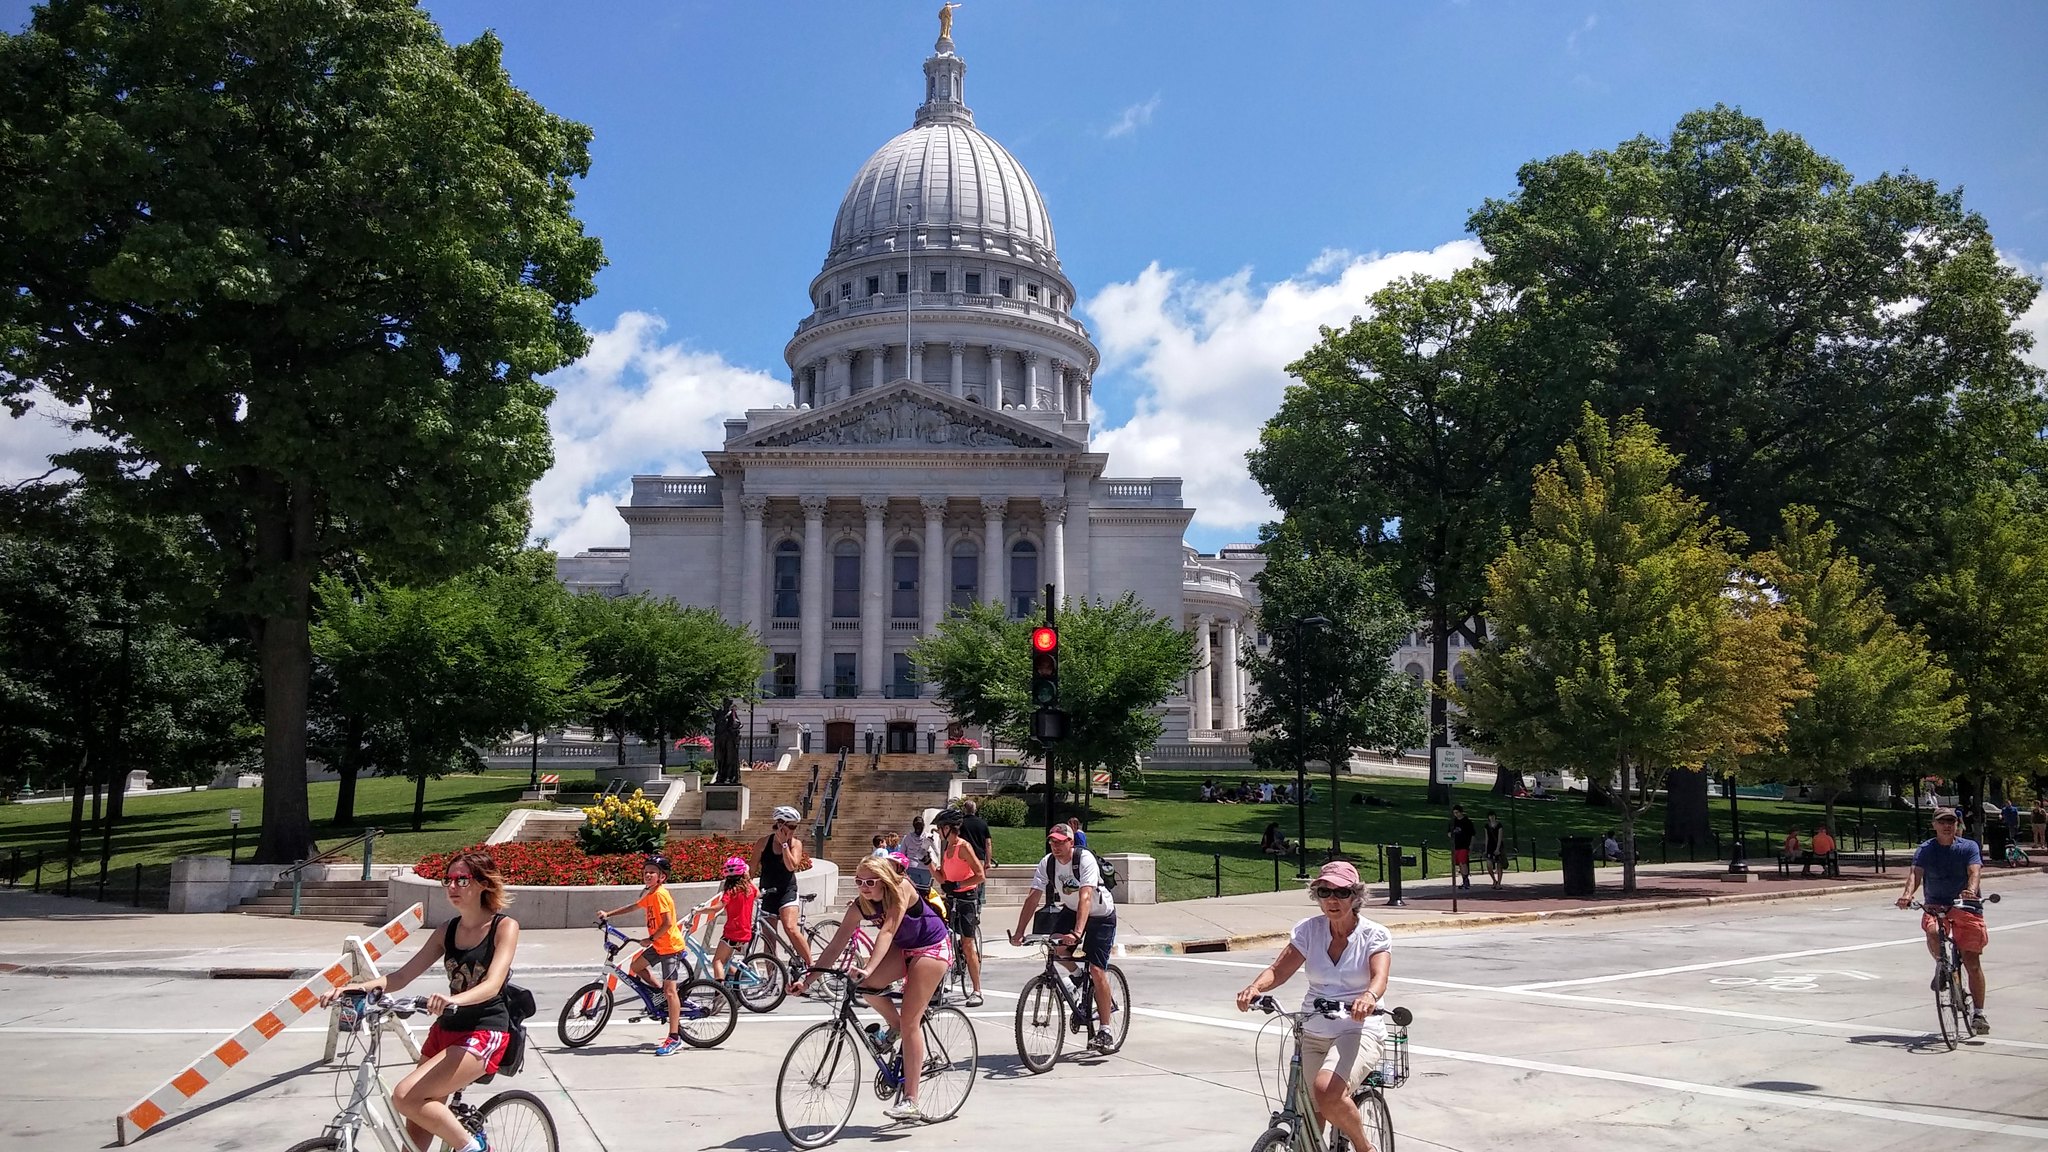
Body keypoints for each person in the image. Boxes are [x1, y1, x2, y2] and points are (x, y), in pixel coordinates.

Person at [321, 850, 520, 1152]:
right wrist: (352, 989)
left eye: (461, 880)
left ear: (482, 883)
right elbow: (401, 976)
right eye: (448, 880)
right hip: (447, 1030)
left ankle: (475, 1149)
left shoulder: (503, 927)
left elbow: (492, 985)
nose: (452, 887)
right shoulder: (447, 930)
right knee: (415, 1133)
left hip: (485, 1030)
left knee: (405, 1096)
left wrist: (453, 999)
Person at [1233, 862, 1392, 1152]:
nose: (1332, 899)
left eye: (1341, 892)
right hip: (1313, 1026)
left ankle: (1364, 1147)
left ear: (1355, 896)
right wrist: (1255, 988)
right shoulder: (1309, 930)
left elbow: (1379, 977)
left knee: (1326, 1092)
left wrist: (1368, 997)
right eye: (1324, 891)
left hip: (1357, 1028)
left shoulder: (1374, 934)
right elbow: (1279, 970)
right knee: (1309, 1117)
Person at [793, 856, 952, 1123]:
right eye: (858, 882)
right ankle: (896, 1026)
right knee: (866, 987)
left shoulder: (900, 888)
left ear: (883, 880)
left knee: (911, 1021)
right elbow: (835, 945)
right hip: (904, 948)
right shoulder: (859, 906)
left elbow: (888, 931)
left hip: (931, 947)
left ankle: (911, 1101)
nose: (864, 887)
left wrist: (867, 966)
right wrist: (808, 980)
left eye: (870, 881)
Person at [1009, 824, 1118, 1053]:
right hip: (1070, 909)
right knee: (1055, 947)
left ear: (1071, 842)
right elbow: (1032, 898)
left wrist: (1077, 933)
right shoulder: (1048, 863)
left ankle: (1106, 1030)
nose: (1056, 846)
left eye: (1060, 842)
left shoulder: (1084, 859)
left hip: (1100, 914)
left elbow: (1086, 897)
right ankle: (1077, 976)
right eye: (1052, 842)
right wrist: (1020, 932)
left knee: (1097, 970)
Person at [1895, 807, 1990, 1035]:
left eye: (1952, 821)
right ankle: (1943, 967)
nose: (1947, 825)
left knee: (1971, 961)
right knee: (1932, 930)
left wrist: (1970, 890)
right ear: (1934, 825)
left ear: (1957, 825)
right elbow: (1915, 874)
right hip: (1936, 904)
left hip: (1964, 904)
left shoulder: (1968, 847)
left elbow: (1974, 871)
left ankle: (1978, 1012)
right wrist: (1907, 895)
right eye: (1942, 821)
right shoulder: (1926, 849)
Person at [597, 854, 689, 1056]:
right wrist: (609, 914)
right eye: (646, 871)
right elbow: (633, 906)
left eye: (652, 872)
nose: (648, 874)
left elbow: (666, 923)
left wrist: (652, 938)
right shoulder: (651, 893)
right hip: (659, 945)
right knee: (636, 966)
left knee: (671, 991)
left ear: (662, 877)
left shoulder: (660, 895)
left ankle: (674, 1038)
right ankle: (660, 995)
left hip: (670, 947)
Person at [932, 808, 986, 1005]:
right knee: (942, 941)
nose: (938, 832)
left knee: (967, 943)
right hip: (951, 898)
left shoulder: (964, 847)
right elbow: (943, 879)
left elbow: (980, 875)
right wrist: (928, 863)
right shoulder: (947, 849)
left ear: (947, 828)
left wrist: (959, 885)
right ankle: (938, 987)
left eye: (939, 829)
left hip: (966, 899)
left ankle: (977, 991)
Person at [755, 805, 815, 976]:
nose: (793, 830)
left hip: (787, 891)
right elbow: (751, 870)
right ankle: (771, 978)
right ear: (780, 824)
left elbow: (791, 866)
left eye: (796, 826)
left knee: (790, 927)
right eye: (791, 826)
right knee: (768, 938)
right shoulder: (763, 843)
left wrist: (784, 846)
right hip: (768, 891)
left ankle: (812, 967)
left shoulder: (795, 844)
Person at [690, 856, 758, 983]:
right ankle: (736, 979)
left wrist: (699, 911)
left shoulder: (731, 891)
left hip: (732, 932)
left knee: (717, 961)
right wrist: (748, 877)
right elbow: (758, 894)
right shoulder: (750, 889)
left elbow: (717, 908)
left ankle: (720, 989)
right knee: (726, 960)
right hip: (745, 931)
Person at [902, 813, 936, 890]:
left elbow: (902, 854)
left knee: (913, 891)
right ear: (923, 825)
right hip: (926, 868)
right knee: (925, 891)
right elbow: (936, 851)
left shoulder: (906, 838)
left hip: (911, 867)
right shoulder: (929, 837)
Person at [958, 799, 995, 868]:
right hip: (979, 858)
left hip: (964, 858)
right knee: (978, 878)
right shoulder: (983, 823)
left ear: (964, 810)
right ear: (975, 810)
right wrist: (988, 862)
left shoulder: (960, 823)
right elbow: (988, 843)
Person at [1448, 805, 1476, 891]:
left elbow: (1472, 835)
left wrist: (1471, 845)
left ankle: (1466, 880)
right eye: (1454, 813)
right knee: (1459, 863)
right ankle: (1463, 879)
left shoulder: (1467, 822)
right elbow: (1449, 832)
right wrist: (1450, 834)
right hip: (1456, 846)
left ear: (1461, 812)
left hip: (1464, 845)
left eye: (1457, 812)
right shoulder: (1453, 822)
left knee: (1463, 862)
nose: (1456, 814)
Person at [1483, 811, 1506, 889]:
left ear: (1495, 816)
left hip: (1498, 846)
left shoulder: (1499, 825)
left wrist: (1497, 848)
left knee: (1499, 865)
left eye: (1493, 816)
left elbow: (1500, 838)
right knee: (1489, 865)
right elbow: (1486, 838)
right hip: (1490, 847)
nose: (1491, 818)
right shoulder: (1487, 826)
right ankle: (1494, 880)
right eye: (1490, 816)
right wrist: (1486, 849)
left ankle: (1499, 883)